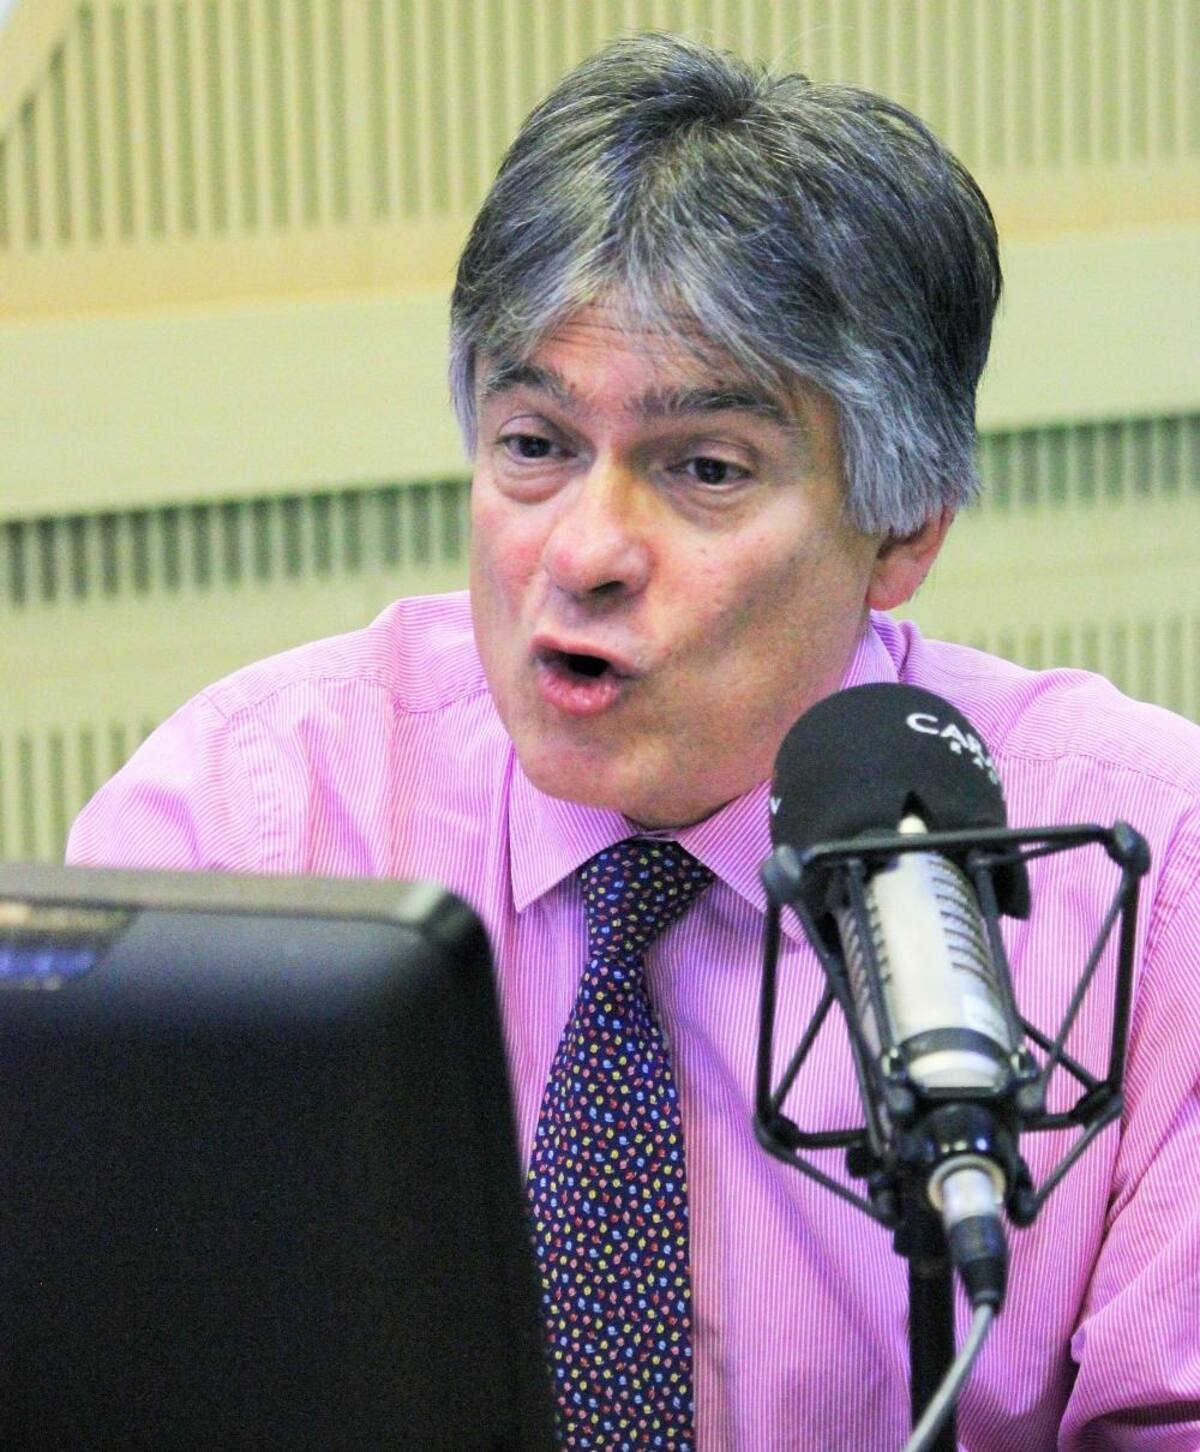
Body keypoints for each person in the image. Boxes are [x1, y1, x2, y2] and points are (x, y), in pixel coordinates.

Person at [67, 32, 1200, 1452]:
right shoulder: (248, 823)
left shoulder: (1147, 875)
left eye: (705, 468)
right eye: (534, 445)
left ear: (904, 530)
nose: (585, 552)